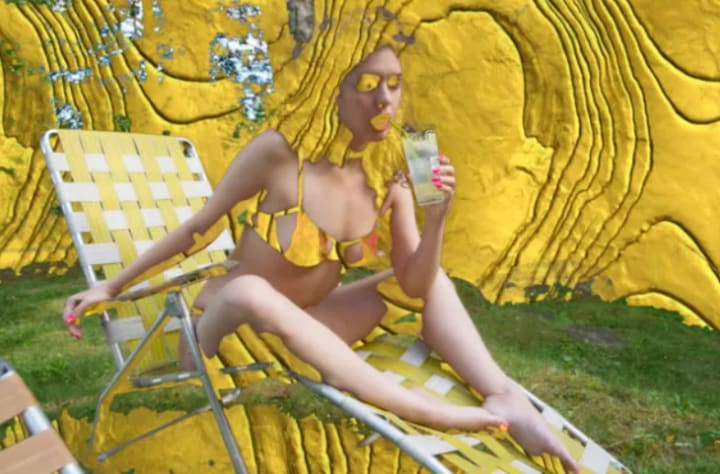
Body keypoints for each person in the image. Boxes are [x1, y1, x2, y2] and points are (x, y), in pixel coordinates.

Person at [62, 12, 580, 473]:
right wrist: (112, 286)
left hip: (308, 327)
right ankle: (438, 414)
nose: (384, 99)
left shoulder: (391, 174)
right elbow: (199, 228)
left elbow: (414, 282)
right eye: (368, 83)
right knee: (249, 290)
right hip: (224, 333)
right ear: (332, 88)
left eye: (394, 85)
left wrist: (437, 219)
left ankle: (503, 396)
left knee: (430, 280)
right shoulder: (278, 155)